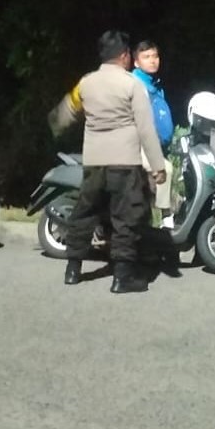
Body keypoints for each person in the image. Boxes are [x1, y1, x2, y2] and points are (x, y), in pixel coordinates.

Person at [60, 30, 167, 294]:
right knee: (125, 218)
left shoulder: (86, 83)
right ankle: (122, 277)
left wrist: (53, 125)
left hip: (94, 161)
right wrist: (158, 167)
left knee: (85, 213)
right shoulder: (132, 85)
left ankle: (72, 270)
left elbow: (66, 112)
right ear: (124, 56)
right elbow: (146, 130)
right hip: (124, 161)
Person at [132, 40, 176, 228]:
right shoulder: (136, 84)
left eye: (155, 56)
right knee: (166, 169)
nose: (152, 60)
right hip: (137, 145)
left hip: (156, 145)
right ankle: (167, 218)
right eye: (146, 57)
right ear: (136, 62)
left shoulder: (155, 85)